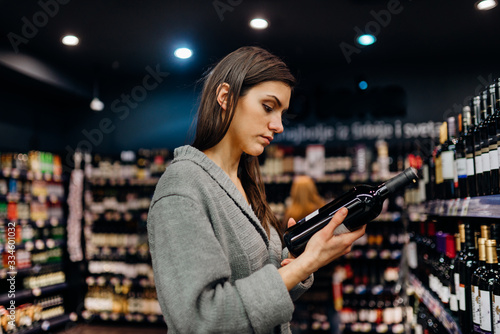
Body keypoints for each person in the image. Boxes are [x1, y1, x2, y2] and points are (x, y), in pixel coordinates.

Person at [147, 46, 366, 334]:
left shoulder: (244, 182)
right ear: (225, 97)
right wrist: (304, 265)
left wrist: (306, 257)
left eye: (282, 113)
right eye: (267, 107)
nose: (278, 126)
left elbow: (260, 291)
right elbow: (201, 320)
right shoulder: (182, 187)